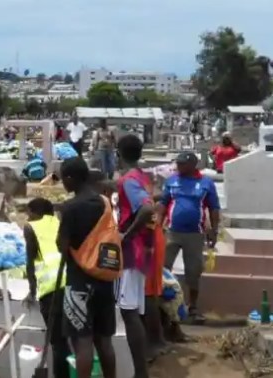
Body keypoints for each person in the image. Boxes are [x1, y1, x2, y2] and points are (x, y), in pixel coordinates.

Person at [58, 157, 116, 378]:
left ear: (71, 178)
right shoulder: (104, 203)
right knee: (104, 341)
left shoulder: (71, 208)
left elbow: (62, 246)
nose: (63, 183)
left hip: (80, 282)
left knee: (83, 341)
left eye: (64, 178)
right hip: (104, 278)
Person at [157, 152, 221, 325]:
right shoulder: (172, 181)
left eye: (182, 164)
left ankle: (193, 307)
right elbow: (163, 203)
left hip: (195, 234)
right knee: (163, 268)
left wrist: (214, 231)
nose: (178, 167)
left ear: (193, 165)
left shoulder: (206, 183)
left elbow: (214, 208)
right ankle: (162, 307)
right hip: (172, 232)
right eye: (177, 163)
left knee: (193, 271)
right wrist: (157, 226)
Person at [115, 134, 158, 376]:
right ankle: (141, 366)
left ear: (119, 153)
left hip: (133, 250)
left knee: (129, 311)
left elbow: (146, 208)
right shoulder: (142, 176)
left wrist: (126, 235)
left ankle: (140, 372)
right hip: (145, 248)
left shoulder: (128, 180)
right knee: (135, 310)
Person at [23, 198, 70, 378]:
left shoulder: (31, 228)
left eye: (29, 213)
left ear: (37, 213)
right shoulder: (59, 222)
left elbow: (29, 261)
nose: (28, 217)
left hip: (52, 290)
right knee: (73, 340)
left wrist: (32, 291)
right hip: (72, 285)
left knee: (58, 343)